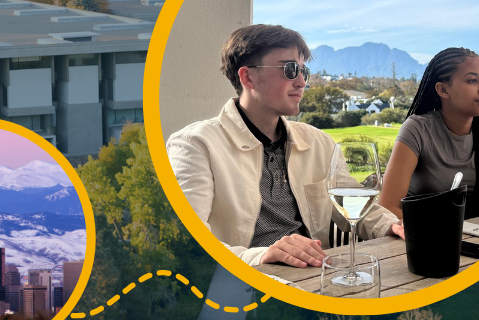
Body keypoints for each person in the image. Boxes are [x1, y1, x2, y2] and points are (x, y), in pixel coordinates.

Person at [167, 25, 402, 268]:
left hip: (316, 275)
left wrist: (391, 225)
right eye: (289, 70)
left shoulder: (319, 143)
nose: (301, 82)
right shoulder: (196, 146)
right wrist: (260, 255)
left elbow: (354, 204)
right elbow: (187, 240)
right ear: (248, 77)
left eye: (303, 71)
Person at [377, 48, 479, 220]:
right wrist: (443, 235)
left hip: (476, 242)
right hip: (420, 241)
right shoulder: (417, 130)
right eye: (472, 80)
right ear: (443, 90)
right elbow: (388, 207)